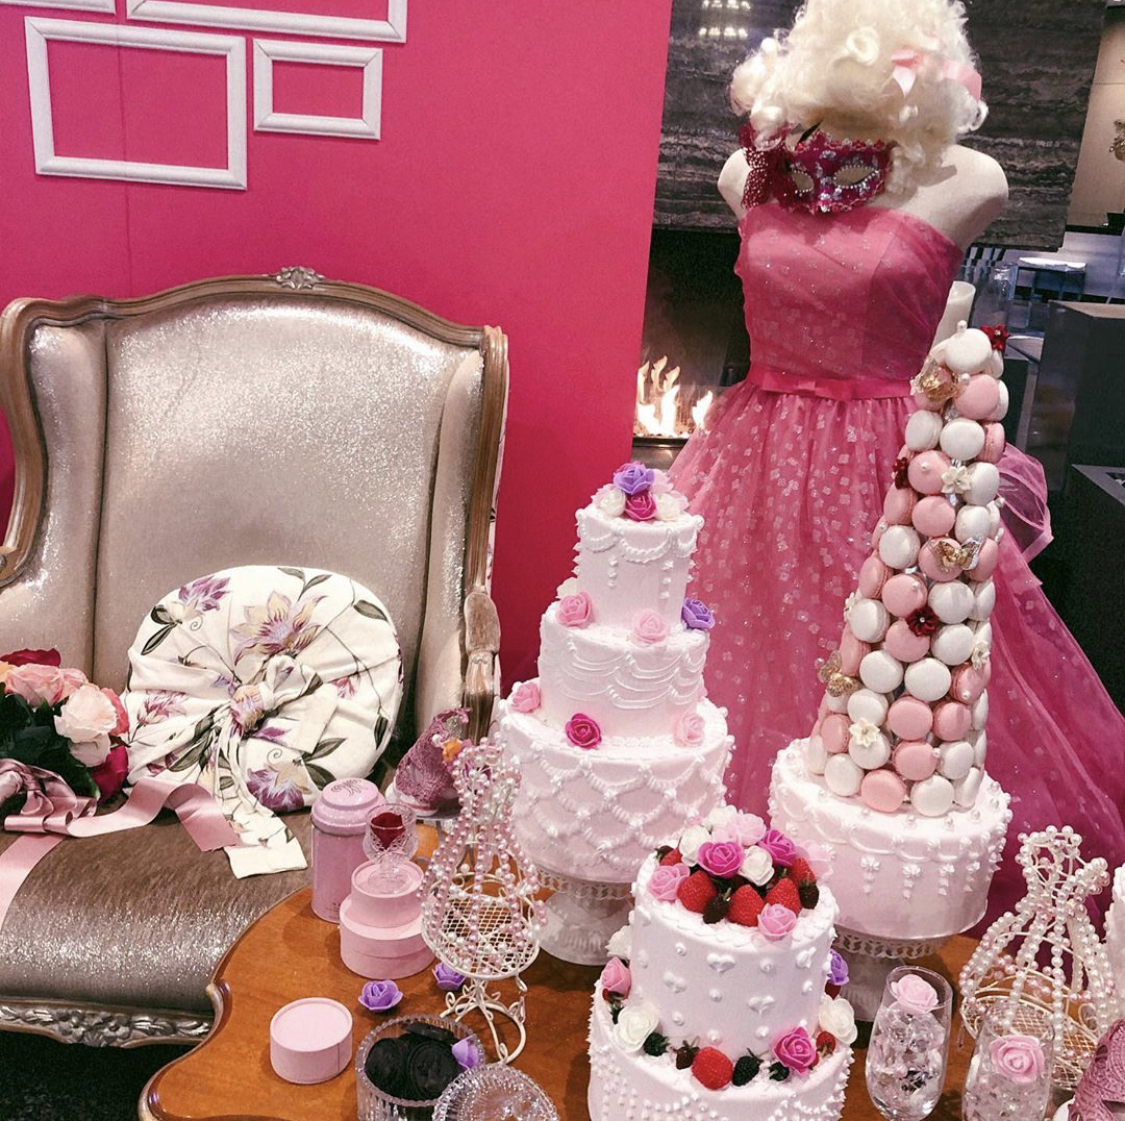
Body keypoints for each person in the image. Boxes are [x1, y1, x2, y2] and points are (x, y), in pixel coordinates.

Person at [670, 0, 1125, 920]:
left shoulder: (968, 177)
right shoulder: (748, 171)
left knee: (899, 665)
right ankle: (718, 879)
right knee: (717, 652)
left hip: (890, 468)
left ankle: (875, 893)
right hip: (751, 455)